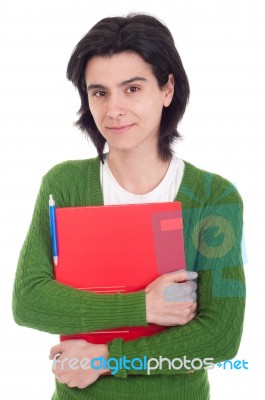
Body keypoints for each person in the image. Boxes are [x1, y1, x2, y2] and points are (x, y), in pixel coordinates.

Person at [12, 13, 246, 400]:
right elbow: (30, 301)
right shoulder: (65, 186)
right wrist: (144, 307)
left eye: (132, 89)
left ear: (167, 89)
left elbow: (219, 337)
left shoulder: (213, 197)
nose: (113, 110)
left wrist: (107, 358)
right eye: (99, 92)